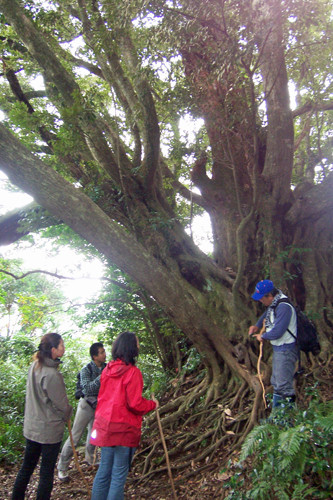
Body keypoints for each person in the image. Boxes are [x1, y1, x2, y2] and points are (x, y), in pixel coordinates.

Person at [90, 331, 159, 500]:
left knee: (104, 471)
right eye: (136, 343)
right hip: (124, 429)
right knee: (119, 475)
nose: (139, 346)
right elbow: (134, 404)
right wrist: (152, 404)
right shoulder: (133, 373)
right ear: (130, 347)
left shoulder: (107, 369)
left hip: (106, 427)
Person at [11, 333, 72, 500]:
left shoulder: (35, 366)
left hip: (32, 428)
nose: (64, 348)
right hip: (48, 431)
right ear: (53, 350)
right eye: (61, 346)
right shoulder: (52, 374)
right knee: (45, 473)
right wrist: (67, 414)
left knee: (27, 468)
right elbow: (61, 404)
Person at [57, 342, 107, 480]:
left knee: (94, 433)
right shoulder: (86, 370)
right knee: (75, 435)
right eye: (101, 352)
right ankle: (62, 467)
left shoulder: (107, 367)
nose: (104, 354)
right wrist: (102, 376)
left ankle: (90, 459)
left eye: (104, 352)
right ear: (94, 356)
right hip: (86, 405)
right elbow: (88, 389)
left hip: (100, 405)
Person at [248, 279, 298, 409]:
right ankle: (276, 416)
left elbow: (278, 331)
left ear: (270, 295)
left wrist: (262, 336)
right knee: (276, 382)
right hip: (279, 349)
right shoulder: (275, 303)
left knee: (283, 385)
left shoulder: (284, 307)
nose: (260, 301)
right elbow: (267, 313)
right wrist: (257, 325)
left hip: (286, 350)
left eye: (261, 298)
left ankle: (286, 419)